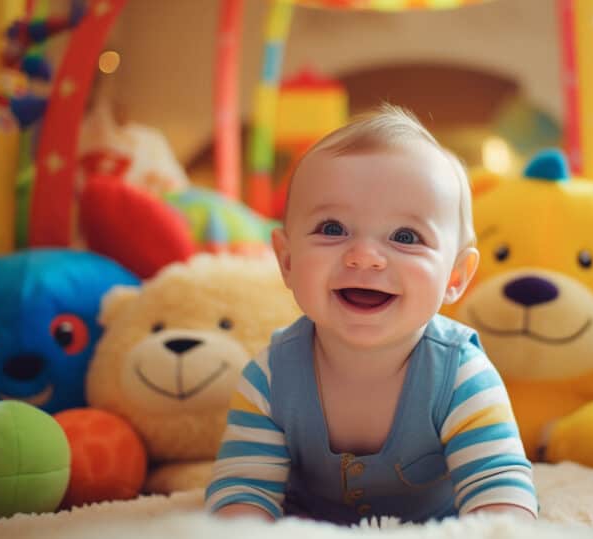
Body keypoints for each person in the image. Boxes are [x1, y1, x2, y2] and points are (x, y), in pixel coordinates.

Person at [205, 104, 537, 524]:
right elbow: (242, 489)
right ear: (286, 261)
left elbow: (499, 486)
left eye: (405, 236)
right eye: (332, 229)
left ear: (455, 276)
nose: (364, 257)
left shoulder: (460, 374)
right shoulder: (271, 376)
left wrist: (496, 527)